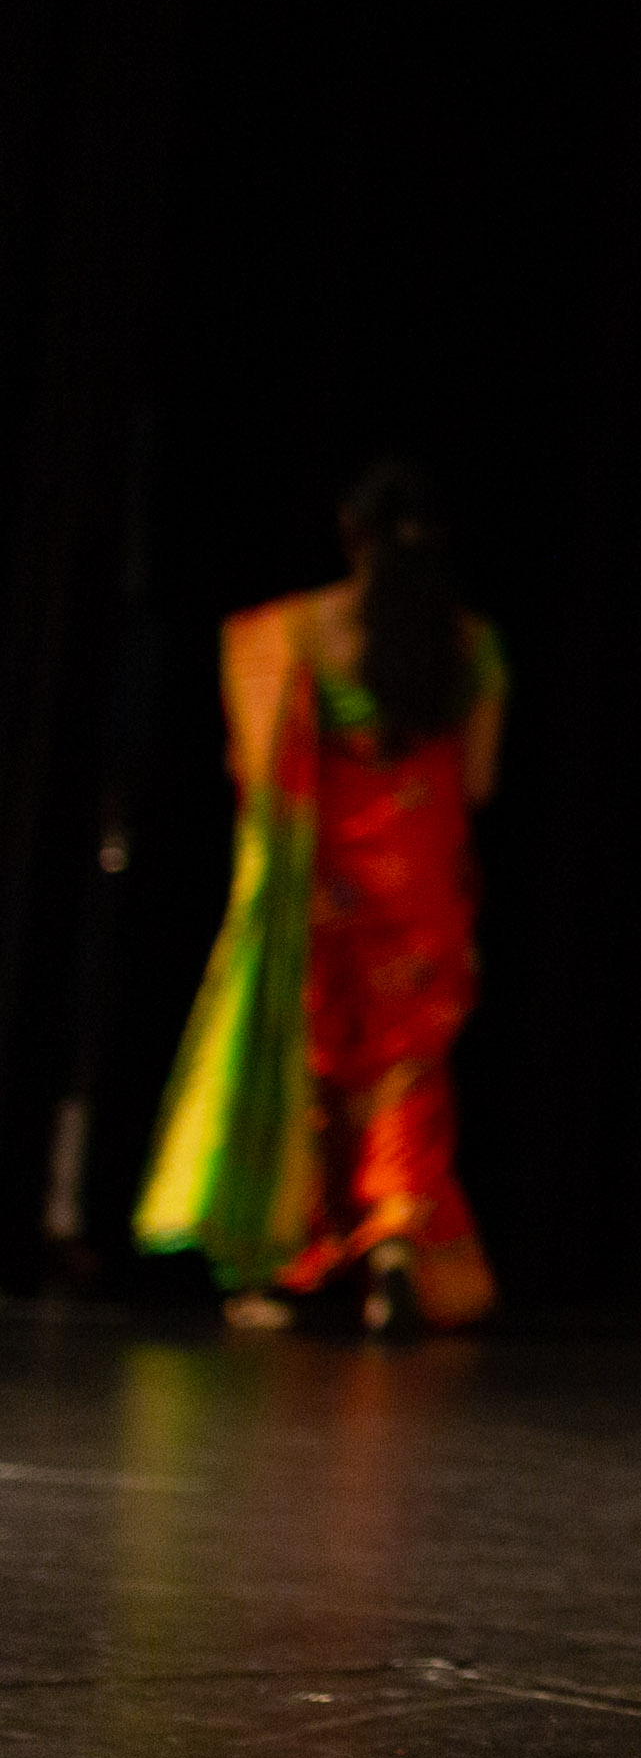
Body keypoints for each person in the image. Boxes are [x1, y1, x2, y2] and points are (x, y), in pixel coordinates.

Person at [134, 459, 505, 1338]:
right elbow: (478, 782)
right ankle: (394, 1248)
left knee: (311, 1064)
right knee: (407, 1070)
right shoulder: (473, 645)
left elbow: (258, 762)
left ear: (352, 533)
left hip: (328, 883)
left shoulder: (297, 629)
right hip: (422, 885)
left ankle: (282, 1265)